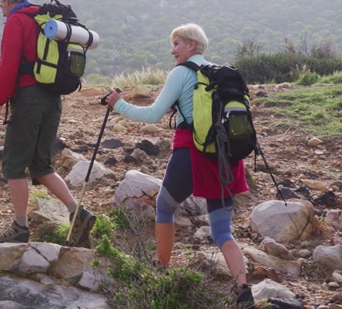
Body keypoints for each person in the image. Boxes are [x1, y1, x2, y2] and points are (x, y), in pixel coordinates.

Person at [104, 23, 256, 308]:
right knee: (222, 230)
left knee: (164, 207)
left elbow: (152, 114)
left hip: (192, 153)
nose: (172, 50)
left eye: (177, 44)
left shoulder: (182, 73)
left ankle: (160, 268)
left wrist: (118, 104)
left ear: (192, 45)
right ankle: (243, 289)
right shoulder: (219, 74)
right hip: (226, 157)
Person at [0, 0, 95, 248]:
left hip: (29, 99)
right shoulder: (44, 19)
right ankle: (76, 211)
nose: (1, 10)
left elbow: (9, 65)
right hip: (53, 100)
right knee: (41, 165)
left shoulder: (16, 20)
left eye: (1, 4)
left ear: (9, 0)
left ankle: (20, 227)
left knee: (13, 165)